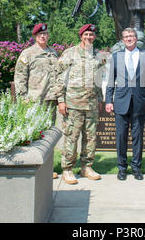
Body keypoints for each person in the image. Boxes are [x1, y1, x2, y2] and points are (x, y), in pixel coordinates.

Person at [55, 24, 106, 185]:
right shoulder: (70, 54)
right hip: (73, 103)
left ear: (94, 37)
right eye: (86, 34)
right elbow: (59, 77)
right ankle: (68, 169)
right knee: (71, 137)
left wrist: (100, 99)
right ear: (81, 36)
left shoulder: (98, 56)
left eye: (91, 34)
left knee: (90, 138)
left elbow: (99, 79)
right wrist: (61, 100)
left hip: (91, 104)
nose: (89, 37)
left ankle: (87, 167)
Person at [105, 28, 145, 181]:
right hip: (121, 102)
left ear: (136, 38)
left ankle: (136, 167)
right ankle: (122, 168)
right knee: (121, 137)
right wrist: (109, 100)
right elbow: (110, 81)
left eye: (131, 36)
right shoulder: (116, 57)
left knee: (138, 137)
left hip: (139, 102)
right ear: (122, 39)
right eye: (126, 36)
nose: (129, 39)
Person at [14, 23, 60, 179]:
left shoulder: (53, 53)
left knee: (49, 135)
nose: (43, 36)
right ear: (35, 36)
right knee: (33, 135)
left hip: (50, 100)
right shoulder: (27, 54)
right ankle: (33, 167)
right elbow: (20, 77)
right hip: (33, 101)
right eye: (40, 34)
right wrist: (23, 97)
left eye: (45, 34)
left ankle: (48, 168)